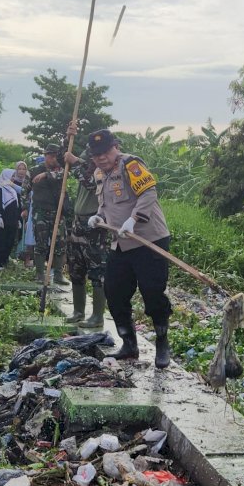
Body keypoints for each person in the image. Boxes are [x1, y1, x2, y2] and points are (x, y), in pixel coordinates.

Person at [86, 129, 172, 368]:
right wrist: (98, 216)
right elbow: (107, 204)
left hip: (148, 239)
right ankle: (129, 344)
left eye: (105, 152)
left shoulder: (130, 165)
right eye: (96, 155)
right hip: (121, 242)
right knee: (113, 291)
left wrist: (134, 219)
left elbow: (148, 192)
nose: (101, 158)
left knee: (153, 293)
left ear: (115, 147)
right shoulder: (99, 174)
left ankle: (162, 343)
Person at [63, 124, 109, 328]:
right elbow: (68, 158)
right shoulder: (85, 162)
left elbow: (91, 181)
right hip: (78, 221)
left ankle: (97, 315)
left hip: (95, 222)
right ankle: (78, 310)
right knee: (76, 266)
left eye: (98, 154)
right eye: (92, 154)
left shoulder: (105, 170)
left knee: (96, 269)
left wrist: (76, 162)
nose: (95, 157)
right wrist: (69, 137)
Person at [21, 145, 70, 283]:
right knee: (41, 243)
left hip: (58, 212)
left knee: (60, 243)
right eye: (50, 155)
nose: (53, 158)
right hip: (40, 211)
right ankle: (40, 274)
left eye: (55, 155)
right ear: (45, 155)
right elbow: (24, 190)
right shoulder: (34, 170)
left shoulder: (61, 168)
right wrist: (24, 208)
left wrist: (46, 175)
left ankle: (59, 274)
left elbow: (64, 175)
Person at [0, 169, 21, 270]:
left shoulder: (12, 190)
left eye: (14, 176)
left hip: (12, 220)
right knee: (0, 241)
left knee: (10, 241)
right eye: (11, 176)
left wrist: (18, 219)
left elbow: (16, 206)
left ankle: (4, 261)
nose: (13, 178)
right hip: (2, 220)